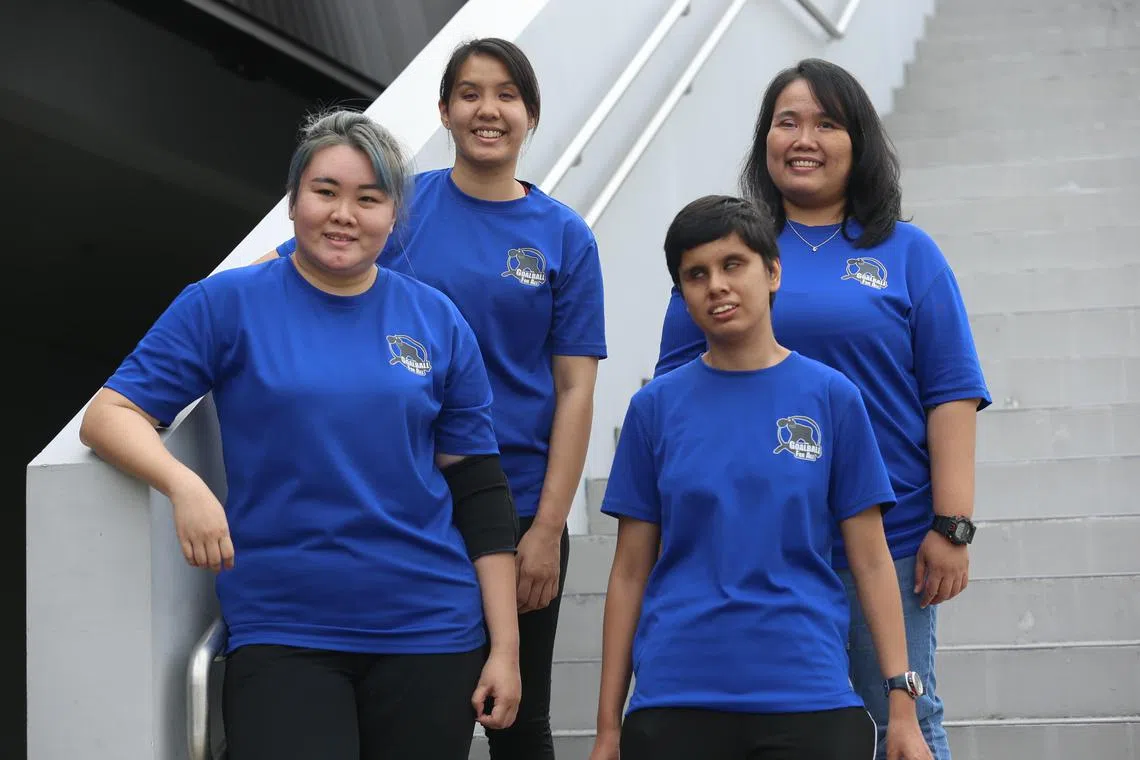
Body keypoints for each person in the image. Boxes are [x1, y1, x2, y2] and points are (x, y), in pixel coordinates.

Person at [79, 110, 521, 760]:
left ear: (393, 216)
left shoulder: (437, 320)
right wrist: (184, 486)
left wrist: (506, 648)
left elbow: (479, 489)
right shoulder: (225, 304)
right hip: (284, 628)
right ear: (293, 202)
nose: (344, 214)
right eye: (326, 191)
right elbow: (109, 415)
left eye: (368, 198)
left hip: (430, 629)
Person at [260, 39, 607, 759]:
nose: (488, 110)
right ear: (444, 110)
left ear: (532, 114)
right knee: (416, 708)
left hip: (513, 501)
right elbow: (295, 265)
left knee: (518, 720)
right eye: (470, 93)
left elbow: (575, 389)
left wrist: (547, 527)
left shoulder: (564, 236)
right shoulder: (401, 206)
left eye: (507, 94)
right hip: (405, 502)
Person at [655, 59, 990, 760]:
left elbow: (950, 391)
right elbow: (678, 402)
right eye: (788, 122)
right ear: (765, 141)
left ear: (857, 141)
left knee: (906, 722)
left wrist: (951, 524)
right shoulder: (729, 255)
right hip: (759, 550)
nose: (804, 139)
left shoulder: (908, 253)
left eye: (827, 124)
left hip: (889, 541)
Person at [589, 195, 933, 760]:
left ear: (773, 272)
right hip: (676, 699)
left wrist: (901, 702)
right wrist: (607, 730)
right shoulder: (653, 410)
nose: (717, 286)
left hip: (810, 696)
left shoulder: (833, 398)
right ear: (682, 294)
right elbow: (629, 572)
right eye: (696, 275)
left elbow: (872, 560)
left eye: (733, 265)